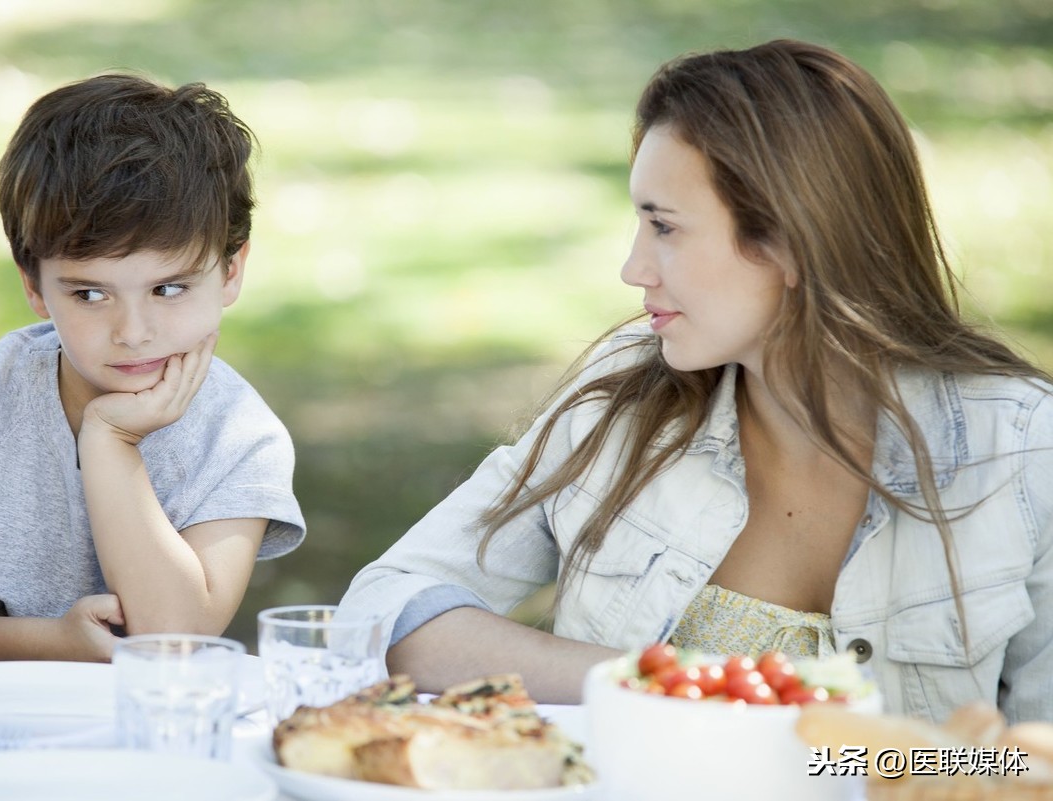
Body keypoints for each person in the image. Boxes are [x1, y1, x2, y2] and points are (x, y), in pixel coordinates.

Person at [338, 39, 1053, 724]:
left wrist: (860, 769)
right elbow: (387, 605)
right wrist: (653, 687)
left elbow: (1032, 764)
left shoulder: (1021, 452)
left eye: (666, 227)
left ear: (792, 243)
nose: (633, 267)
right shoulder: (620, 397)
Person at [0, 75, 305, 684]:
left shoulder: (239, 437)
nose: (134, 331)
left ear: (230, 271)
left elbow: (174, 638)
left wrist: (111, 444)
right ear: (34, 286)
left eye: (168, 288)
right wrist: (51, 643)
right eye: (90, 293)